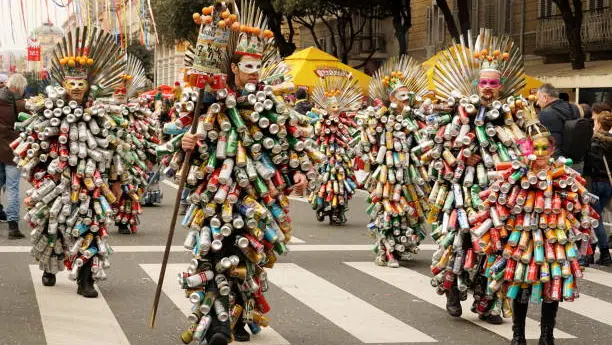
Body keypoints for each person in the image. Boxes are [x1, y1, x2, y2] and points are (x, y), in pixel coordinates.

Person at [165, 3, 317, 345]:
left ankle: (239, 315)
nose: (254, 72)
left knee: (249, 259)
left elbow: (288, 137)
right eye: (248, 66)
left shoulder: (269, 101)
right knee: (216, 256)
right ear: (233, 67)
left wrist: (298, 171)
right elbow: (179, 144)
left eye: (258, 66)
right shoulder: (207, 100)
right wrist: (186, 142)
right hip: (215, 194)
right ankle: (217, 324)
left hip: (256, 196)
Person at [12, 27, 126, 297]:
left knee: (92, 227)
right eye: (71, 84)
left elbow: (115, 147)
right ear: (63, 85)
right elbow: (33, 141)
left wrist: (117, 181)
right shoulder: (50, 110)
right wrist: (37, 170)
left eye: (81, 83)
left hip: (91, 183)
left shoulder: (100, 114)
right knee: (51, 224)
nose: (76, 88)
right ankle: (50, 266)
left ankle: (85, 278)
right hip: (55, 181)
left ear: (88, 86)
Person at [426, 29, 529, 325]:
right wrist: (460, 157)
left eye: (493, 84)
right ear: (476, 84)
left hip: (498, 193)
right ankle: (452, 293)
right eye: (483, 83)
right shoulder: (461, 112)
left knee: (496, 244)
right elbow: (439, 145)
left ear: (500, 87)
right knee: (460, 241)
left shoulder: (510, 113)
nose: (487, 88)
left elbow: (526, 144)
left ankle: (486, 303)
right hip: (463, 189)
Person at [479, 103, 596, 345]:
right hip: (522, 240)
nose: (541, 153)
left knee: (552, 288)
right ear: (527, 149)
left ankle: (547, 335)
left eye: (545, 148)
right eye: (536, 148)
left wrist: (579, 230)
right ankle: (518, 334)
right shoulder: (515, 173)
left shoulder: (563, 174)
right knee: (520, 286)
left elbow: (580, 208)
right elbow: (496, 207)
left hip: (555, 238)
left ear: (552, 149)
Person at [356, 55, 430, 268]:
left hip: (410, 172)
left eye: (408, 95)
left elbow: (423, 142)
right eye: (401, 95)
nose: (406, 98)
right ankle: (387, 251)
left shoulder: (415, 117)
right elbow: (368, 142)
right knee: (387, 210)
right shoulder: (380, 116)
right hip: (386, 173)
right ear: (392, 97)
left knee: (411, 211)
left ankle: (405, 246)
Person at [308, 74, 361, 225]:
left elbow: (352, 134)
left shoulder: (344, 120)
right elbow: (315, 136)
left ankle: (340, 209)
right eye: (333, 107)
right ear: (326, 108)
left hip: (341, 157)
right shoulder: (321, 120)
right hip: (325, 157)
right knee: (323, 181)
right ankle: (320, 205)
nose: (336, 110)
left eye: (338, 107)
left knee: (342, 182)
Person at [536, 83, 591, 173]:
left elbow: (552, 142)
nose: (538, 103)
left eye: (538, 98)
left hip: (560, 164)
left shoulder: (545, 113)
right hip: (578, 161)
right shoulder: (574, 108)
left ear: (545, 97)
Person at [0, 73, 27, 239]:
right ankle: (13, 227)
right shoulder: (20, 104)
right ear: (18, 87)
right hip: (12, 151)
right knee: (12, 187)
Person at [583, 110, 612, 265]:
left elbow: (590, 163)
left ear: (599, 124)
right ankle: (592, 252)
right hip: (609, 183)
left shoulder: (595, 141)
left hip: (596, 182)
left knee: (595, 218)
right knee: (597, 216)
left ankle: (605, 252)